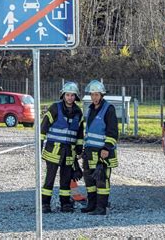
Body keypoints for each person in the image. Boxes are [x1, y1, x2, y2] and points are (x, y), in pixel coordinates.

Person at [41, 82, 84, 213]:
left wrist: (79, 150)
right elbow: (44, 127)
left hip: (69, 153)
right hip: (53, 151)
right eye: (68, 95)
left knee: (65, 181)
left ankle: (65, 204)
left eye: (72, 95)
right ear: (63, 95)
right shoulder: (55, 108)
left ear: (75, 97)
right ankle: (45, 204)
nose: (70, 97)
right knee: (50, 179)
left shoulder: (78, 112)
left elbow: (80, 134)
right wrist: (40, 144)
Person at [81, 80, 118, 215]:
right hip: (90, 152)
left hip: (103, 152)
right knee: (89, 180)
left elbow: (113, 131)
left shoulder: (109, 109)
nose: (94, 97)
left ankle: (101, 208)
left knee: (102, 181)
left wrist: (106, 148)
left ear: (102, 95)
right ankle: (92, 205)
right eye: (92, 95)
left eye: (97, 95)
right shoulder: (91, 109)